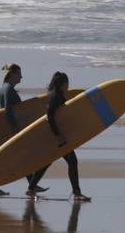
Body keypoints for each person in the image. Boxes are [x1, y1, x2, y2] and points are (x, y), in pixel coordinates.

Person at [27, 71, 89, 202]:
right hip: (58, 137)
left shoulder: (54, 94)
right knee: (72, 162)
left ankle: (31, 188)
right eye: (67, 84)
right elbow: (50, 116)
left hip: (55, 135)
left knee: (47, 161)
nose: (68, 86)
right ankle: (77, 193)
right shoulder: (57, 96)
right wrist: (58, 135)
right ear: (63, 84)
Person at [0, 63, 26, 197]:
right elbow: (7, 110)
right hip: (9, 130)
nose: (21, 77)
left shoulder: (5, 88)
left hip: (6, 129)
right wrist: (15, 128)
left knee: (19, 157)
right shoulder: (8, 89)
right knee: (16, 157)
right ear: (12, 75)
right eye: (19, 74)